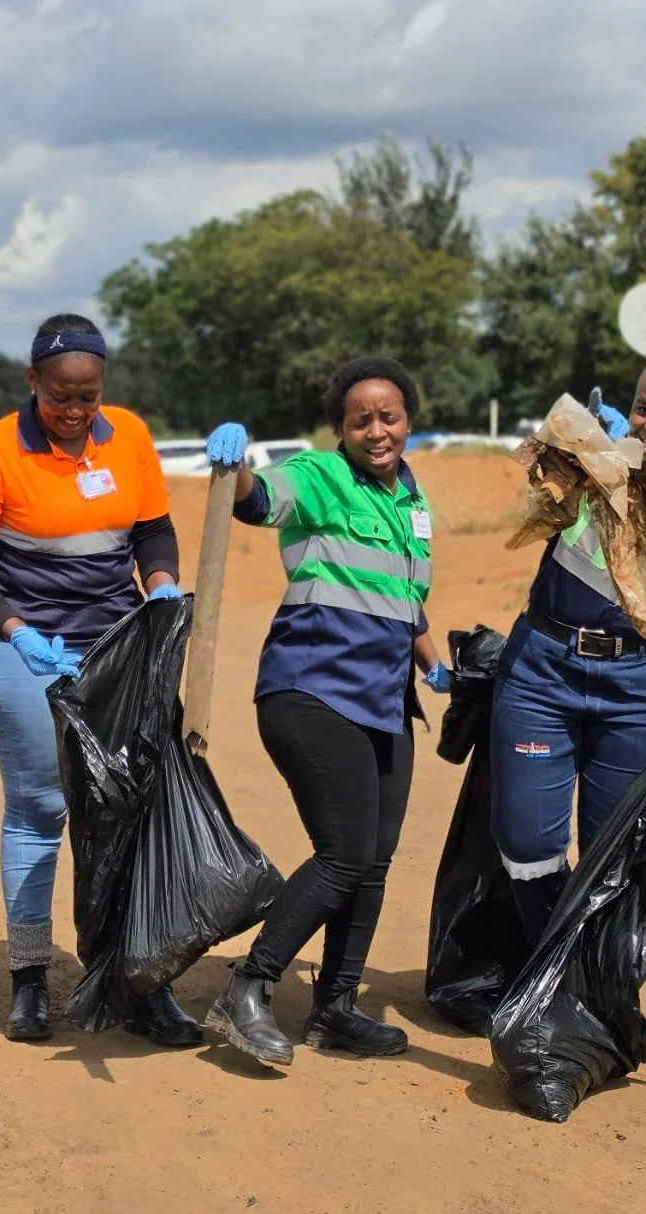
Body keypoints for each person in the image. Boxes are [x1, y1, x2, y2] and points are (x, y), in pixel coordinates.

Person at [0, 313, 200, 1046]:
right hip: (23, 645)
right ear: (33, 382)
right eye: (61, 395)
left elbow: (151, 530)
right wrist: (19, 633)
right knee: (41, 805)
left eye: (88, 395)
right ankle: (29, 981)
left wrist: (160, 584)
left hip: (118, 646)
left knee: (134, 807)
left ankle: (138, 976)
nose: (75, 411)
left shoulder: (129, 437)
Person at [203, 356, 450, 1068]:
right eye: (361, 419)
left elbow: (404, 597)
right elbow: (258, 501)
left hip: (382, 702)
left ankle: (336, 1007)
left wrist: (435, 665)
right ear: (340, 428)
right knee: (343, 854)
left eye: (390, 416)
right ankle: (248, 986)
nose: (378, 430)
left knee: (372, 862)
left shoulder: (410, 495)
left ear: (409, 420)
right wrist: (238, 467)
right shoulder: (318, 476)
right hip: (310, 691)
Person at [489, 355, 646, 946]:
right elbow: (540, 490)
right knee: (525, 841)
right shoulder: (592, 462)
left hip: (636, 686)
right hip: (542, 672)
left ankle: (581, 990)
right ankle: (546, 966)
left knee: (615, 849)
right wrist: (574, 442)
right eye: (643, 408)